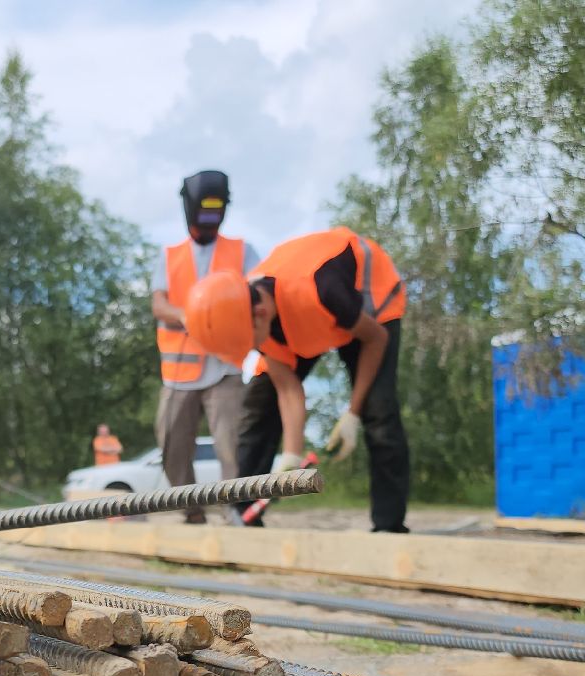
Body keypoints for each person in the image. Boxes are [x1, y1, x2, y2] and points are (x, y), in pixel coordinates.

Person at [183, 226, 410, 532]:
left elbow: (376, 338)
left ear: (260, 314)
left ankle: (388, 528)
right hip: (302, 322)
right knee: (259, 406)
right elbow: (288, 389)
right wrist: (292, 452)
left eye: (251, 342)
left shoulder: (324, 289)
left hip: (369, 311)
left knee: (378, 411)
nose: (253, 349)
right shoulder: (242, 308)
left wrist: (352, 414)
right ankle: (243, 515)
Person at [150, 170, 261, 523]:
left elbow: (258, 295)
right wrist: (190, 315)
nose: (208, 219)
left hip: (225, 367)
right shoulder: (169, 256)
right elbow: (158, 305)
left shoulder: (243, 252)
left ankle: (235, 512)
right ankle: (191, 511)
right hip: (179, 372)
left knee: (231, 444)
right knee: (171, 444)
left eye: (216, 211)